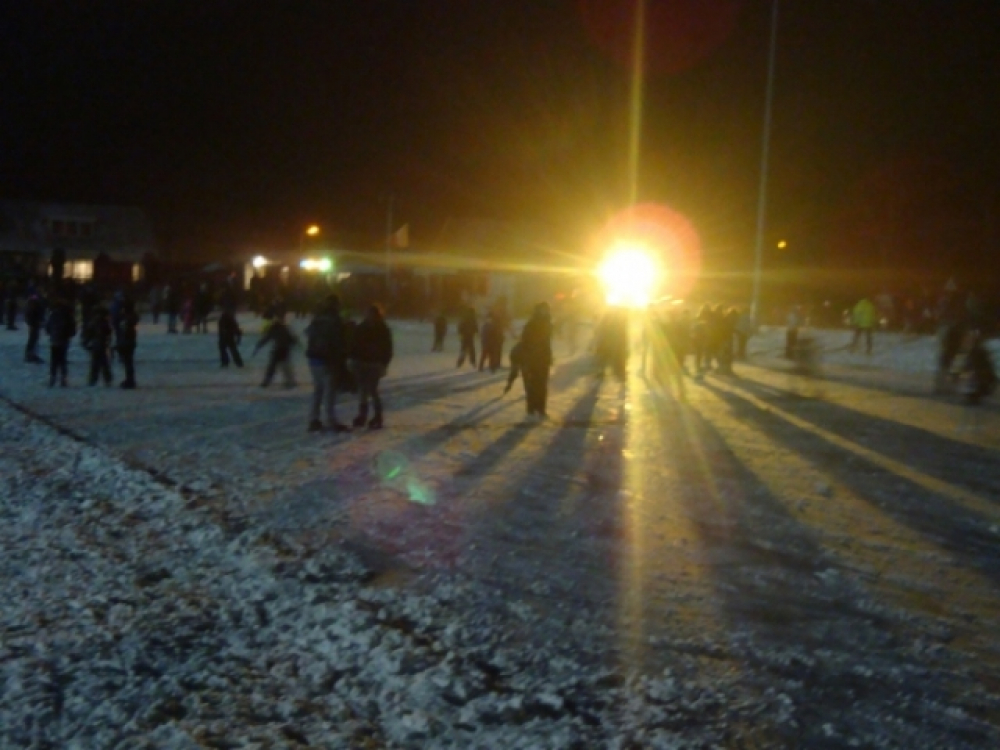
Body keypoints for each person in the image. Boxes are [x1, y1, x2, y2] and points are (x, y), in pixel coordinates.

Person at [304, 294, 348, 433]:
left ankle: (314, 419)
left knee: (318, 390)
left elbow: (308, 333)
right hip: (328, 359)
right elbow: (338, 341)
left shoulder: (317, 319)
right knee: (329, 391)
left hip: (313, 358)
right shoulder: (335, 320)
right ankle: (330, 420)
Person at [351, 304, 393, 429]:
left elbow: (387, 349)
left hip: (374, 364)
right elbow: (354, 344)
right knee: (363, 390)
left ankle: (377, 416)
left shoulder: (382, 329)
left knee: (372, 390)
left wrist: (384, 363)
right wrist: (353, 357)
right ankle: (363, 415)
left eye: (371, 314)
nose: (368, 316)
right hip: (361, 362)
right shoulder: (362, 327)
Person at [519, 302, 553, 418]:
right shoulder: (532, 324)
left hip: (543, 358)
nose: (545, 312)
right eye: (543, 310)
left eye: (546, 310)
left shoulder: (547, 323)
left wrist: (549, 356)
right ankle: (532, 408)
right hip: (533, 359)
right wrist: (527, 357)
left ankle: (540, 408)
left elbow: (547, 343)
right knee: (533, 383)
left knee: (542, 384)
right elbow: (525, 341)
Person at [253, 312, 297, 387]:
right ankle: (290, 382)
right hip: (284, 349)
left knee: (272, 367)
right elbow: (292, 339)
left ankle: (267, 382)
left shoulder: (274, 328)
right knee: (285, 367)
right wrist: (293, 343)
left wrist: (259, 345)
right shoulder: (284, 328)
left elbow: (267, 338)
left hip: (278, 350)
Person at [45, 295, 76, 387]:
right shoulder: (68, 315)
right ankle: (63, 378)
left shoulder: (53, 315)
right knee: (63, 360)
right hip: (64, 340)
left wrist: (51, 333)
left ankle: (53, 377)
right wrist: (69, 335)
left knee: (54, 360)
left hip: (55, 339)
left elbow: (48, 327)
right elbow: (72, 328)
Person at [83, 304, 114, 387]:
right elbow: (108, 333)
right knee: (104, 363)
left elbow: (89, 333)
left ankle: (94, 379)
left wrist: (86, 342)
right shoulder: (104, 322)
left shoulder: (93, 322)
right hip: (102, 344)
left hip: (96, 344)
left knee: (95, 363)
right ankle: (107, 379)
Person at [115, 298, 139, 389]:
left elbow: (125, 329)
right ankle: (129, 379)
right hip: (129, 341)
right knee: (128, 362)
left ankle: (130, 380)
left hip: (127, 341)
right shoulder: (129, 317)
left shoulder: (127, 318)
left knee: (128, 362)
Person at [23, 288, 47, 363]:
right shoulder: (33, 303)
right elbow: (32, 314)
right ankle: (30, 355)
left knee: (34, 339)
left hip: (34, 323)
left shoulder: (34, 302)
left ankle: (31, 354)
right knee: (33, 339)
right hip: (34, 324)